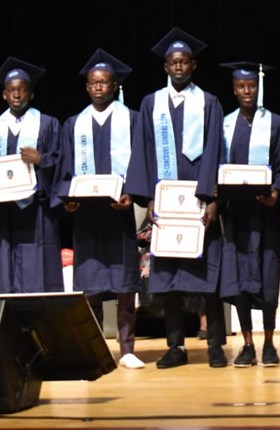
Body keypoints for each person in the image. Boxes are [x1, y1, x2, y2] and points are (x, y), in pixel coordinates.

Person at [124, 27, 226, 368]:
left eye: (184, 62)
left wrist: (212, 197)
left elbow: (215, 151)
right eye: (173, 62)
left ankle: (214, 344)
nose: (179, 67)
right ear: (165, 67)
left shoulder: (209, 103)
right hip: (166, 202)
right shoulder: (151, 104)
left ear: (193, 65)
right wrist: (150, 198)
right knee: (167, 276)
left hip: (198, 202)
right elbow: (144, 152)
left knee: (206, 272)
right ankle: (176, 345)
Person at [51, 49, 144, 369]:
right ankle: (91, 348)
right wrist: (68, 199)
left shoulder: (131, 119)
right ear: (87, 87)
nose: (98, 87)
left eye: (104, 82)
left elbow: (141, 164)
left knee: (124, 284)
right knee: (89, 283)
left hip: (118, 215)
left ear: (115, 85)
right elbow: (64, 169)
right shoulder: (74, 124)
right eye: (93, 83)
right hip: (88, 218)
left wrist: (132, 193)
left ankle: (127, 349)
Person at [218, 61, 280, 367]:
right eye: (242, 87)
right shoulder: (224, 124)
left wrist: (276, 192)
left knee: (268, 275)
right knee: (239, 278)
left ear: (258, 88)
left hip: (266, 213)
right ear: (234, 90)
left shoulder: (275, 123)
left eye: (252, 86)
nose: (247, 91)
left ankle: (269, 343)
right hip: (236, 214)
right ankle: (247, 344)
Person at [0, 57, 63, 294]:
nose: (17, 95)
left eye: (22, 90)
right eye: (12, 90)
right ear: (4, 95)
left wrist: (42, 160)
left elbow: (63, 161)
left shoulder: (48, 124)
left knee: (39, 269)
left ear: (31, 94)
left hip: (36, 208)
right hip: (3, 211)